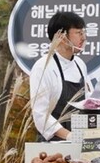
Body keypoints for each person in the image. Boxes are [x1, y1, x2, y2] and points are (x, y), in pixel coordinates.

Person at [29, 11, 89, 141]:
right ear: (61, 36)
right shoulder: (43, 67)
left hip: (80, 140)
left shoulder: (80, 64)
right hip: (53, 143)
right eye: (79, 33)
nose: (83, 38)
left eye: (84, 32)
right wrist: (69, 136)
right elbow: (40, 114)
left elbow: (88, 102)